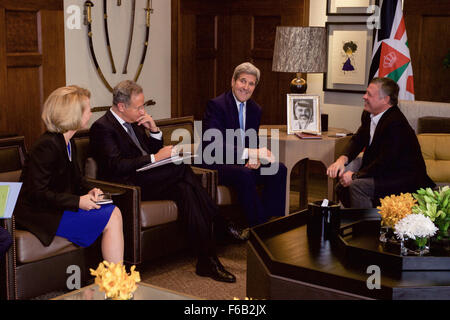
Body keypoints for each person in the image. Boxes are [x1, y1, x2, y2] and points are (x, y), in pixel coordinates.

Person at [89, 80, 245, 283]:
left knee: (186, 190)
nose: (143, 110)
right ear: (121, 107)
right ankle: (220, 222)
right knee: (180, 167)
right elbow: (116, 166)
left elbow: (150, 149)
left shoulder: (133, 123)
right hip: (128, 186)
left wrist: (154, 130)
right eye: (139, 107)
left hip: (149, 178)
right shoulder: (102, 128)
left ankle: (207, 261)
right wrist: (156, 158)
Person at [14, 86, 124, 264]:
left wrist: (90, 191)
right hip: (40, 214)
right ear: (74, 114)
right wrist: (77, 201)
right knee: (112, 216)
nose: (90, 112)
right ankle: (115, 283)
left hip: (56, 207)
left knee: (114, 212)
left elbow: (76, 180)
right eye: (87, 108)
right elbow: (36, 193)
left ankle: (115, 281)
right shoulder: (47, 145)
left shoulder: (68, 141)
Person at [201, 62, 287, 227]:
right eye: (242, 81)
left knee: (278, 169)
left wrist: (254, 158)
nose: (246, 87)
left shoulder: (255, 109)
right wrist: (251, 153)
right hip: (216, 162)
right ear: (233, 82)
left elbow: (251, 140)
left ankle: (275, 224)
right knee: (244, 174)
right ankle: (260, 228)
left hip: (240, 162)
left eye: (251, 83)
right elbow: (214, 145)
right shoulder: (216, 105)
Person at [327, 77, 435, 208]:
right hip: (384, 173)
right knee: (341, 188)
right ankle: (365, 221)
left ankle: (368, 227)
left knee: (356, 186)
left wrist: (355, 176)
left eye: (369, 94)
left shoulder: (396, 123)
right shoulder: (369, 114)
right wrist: (341, 160)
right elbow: (358, 139)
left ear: (385, 99)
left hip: (403, 179)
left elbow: (386, 160)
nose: (364, 97)